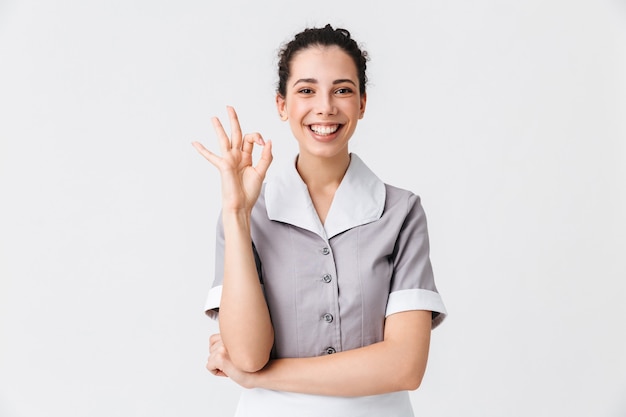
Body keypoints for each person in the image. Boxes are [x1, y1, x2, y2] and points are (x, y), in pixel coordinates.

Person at [192, 24, 447, 417]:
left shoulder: (400, 212)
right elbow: (246, 353)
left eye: (342, 90)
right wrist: (237, 214)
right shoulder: (248, 215)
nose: (325, 107)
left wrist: (259, 377)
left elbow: (405, 366)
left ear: (362, 103)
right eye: (306, 90)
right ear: (282, 105)